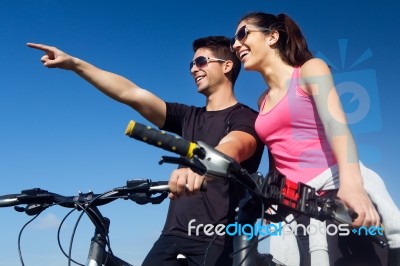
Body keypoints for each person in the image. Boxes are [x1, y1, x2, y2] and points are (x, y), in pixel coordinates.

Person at [28, 36, 264, 265]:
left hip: (218, 238)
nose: (193, 69)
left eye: (201, 62)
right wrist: (74, 64)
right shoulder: (188, 117)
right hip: (172, 235)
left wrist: (203, 165)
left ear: (227, 66)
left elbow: (235, 146)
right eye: (191, 64)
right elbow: (131, 93)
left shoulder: (245, 117)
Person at [230, 12, 400, 266]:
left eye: (243, 34)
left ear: (272, 37)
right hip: (294, 206)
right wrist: (271, 197)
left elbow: (337, 125)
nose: (235, 45)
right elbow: (277, 156)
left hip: (333, 196)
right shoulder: (262, 100)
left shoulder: (310, 70)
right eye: (234, 40)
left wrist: (352, 184)